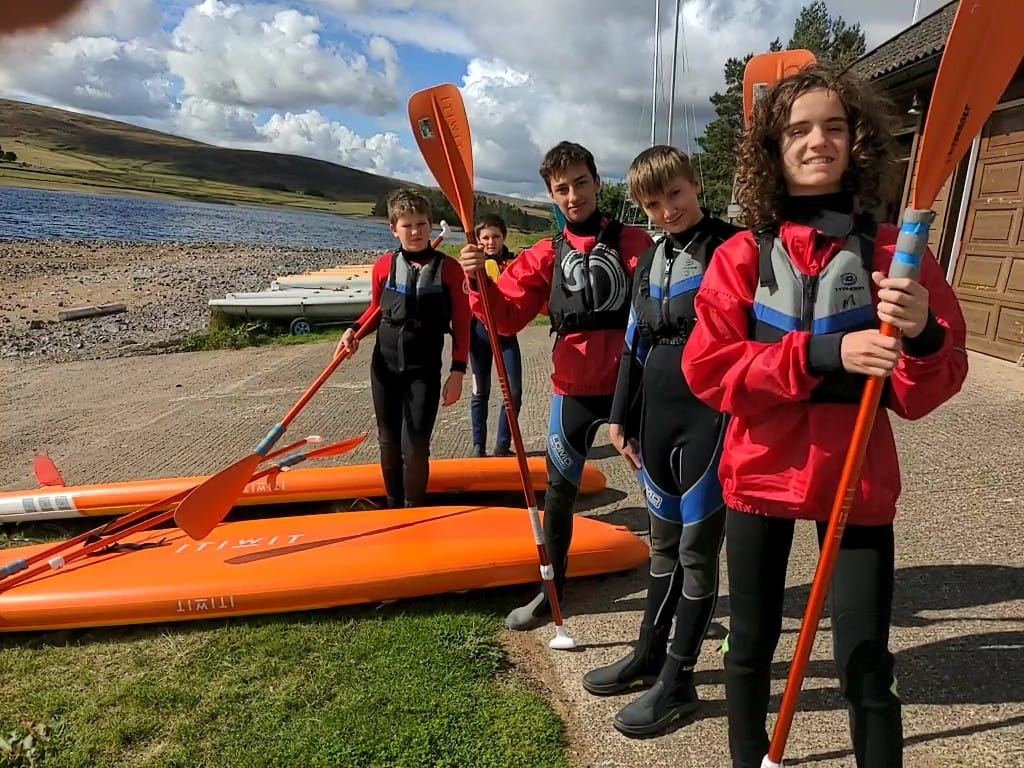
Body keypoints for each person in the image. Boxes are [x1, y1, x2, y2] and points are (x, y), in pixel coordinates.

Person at [680, 63, 969, 768]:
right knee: (748, 641)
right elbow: (709, 371)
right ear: (774, 152)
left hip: (855, 487)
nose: (818, 142)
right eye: (799, 130)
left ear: (857, 140)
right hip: (758, 479)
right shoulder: (742, 256)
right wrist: (825, 353)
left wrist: (924, 336)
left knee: (866, 659)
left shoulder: (897, 257)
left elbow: (930, 387)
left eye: (834, 126)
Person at [459, 141, 654, 629]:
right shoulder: (543, 256)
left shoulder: (636, 245)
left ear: (597, 183)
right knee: (559, 498)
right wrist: (475, 285)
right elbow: (504, 319)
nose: (573, 196)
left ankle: (673, 600)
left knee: (661, 498)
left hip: (634, 391)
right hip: (572, 391)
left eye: (581, 183)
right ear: (551, 194)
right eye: (561, 188)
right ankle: (552, 590)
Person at [581, 145, 740, 737]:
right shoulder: (648, 259)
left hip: (711, 420)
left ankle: (679, 681)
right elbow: (633, 344)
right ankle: (649, 650)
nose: (667, 209)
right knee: (662, 545)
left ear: (695, 184)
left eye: (674, 194)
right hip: (657, 420)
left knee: (698, 550)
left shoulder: (733, 247)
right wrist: (620, 417)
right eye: (653, 202)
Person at [338, 188, 471, 508]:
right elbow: (374, 311)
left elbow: (463, 325)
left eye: (422, 224)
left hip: (423, 371)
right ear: (393, 229)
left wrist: (458, 372)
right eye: (407, 225)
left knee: (415, 447)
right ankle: (393, 504)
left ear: (430, 226)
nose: (415, 232)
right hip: (384, 367)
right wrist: (354, 330)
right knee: (388, 442)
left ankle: (413, 508)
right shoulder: (384, 266)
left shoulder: (450, 270)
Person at [467, 213, 522, 458]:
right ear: (478, 240)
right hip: (477, 333)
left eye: (496, 237)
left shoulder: (513, 264)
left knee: (514, 392)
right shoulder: (470, 266)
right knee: (480, 390)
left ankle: (502, 445)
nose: (490, 242)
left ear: (503, 238)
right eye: (485, 238)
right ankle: (478, 446)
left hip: (505, 334)